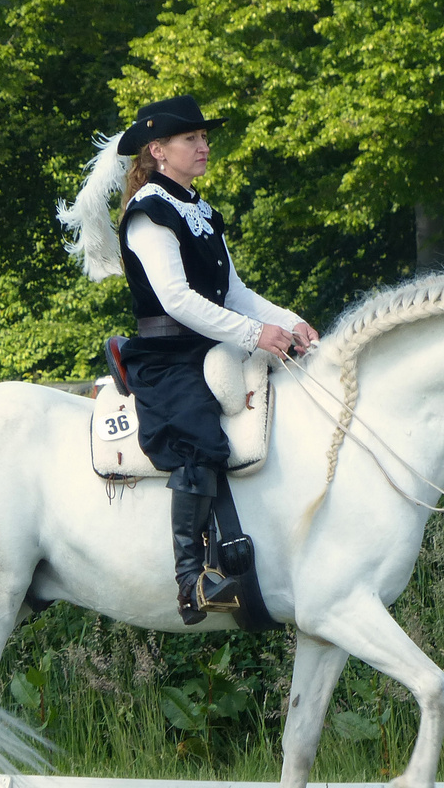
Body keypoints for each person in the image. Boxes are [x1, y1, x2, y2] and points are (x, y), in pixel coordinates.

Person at [110, 95, 320, 625]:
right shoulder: (149, 213)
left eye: (204, 137)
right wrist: (255, 334)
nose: (203, 145)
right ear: (158, 150)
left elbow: (236, 291)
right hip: (165, 356)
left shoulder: (200, 210)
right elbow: (177, 299)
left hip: (209, 344)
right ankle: (192, 580)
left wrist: (291, 321)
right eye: (191, 139)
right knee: (197, 440)